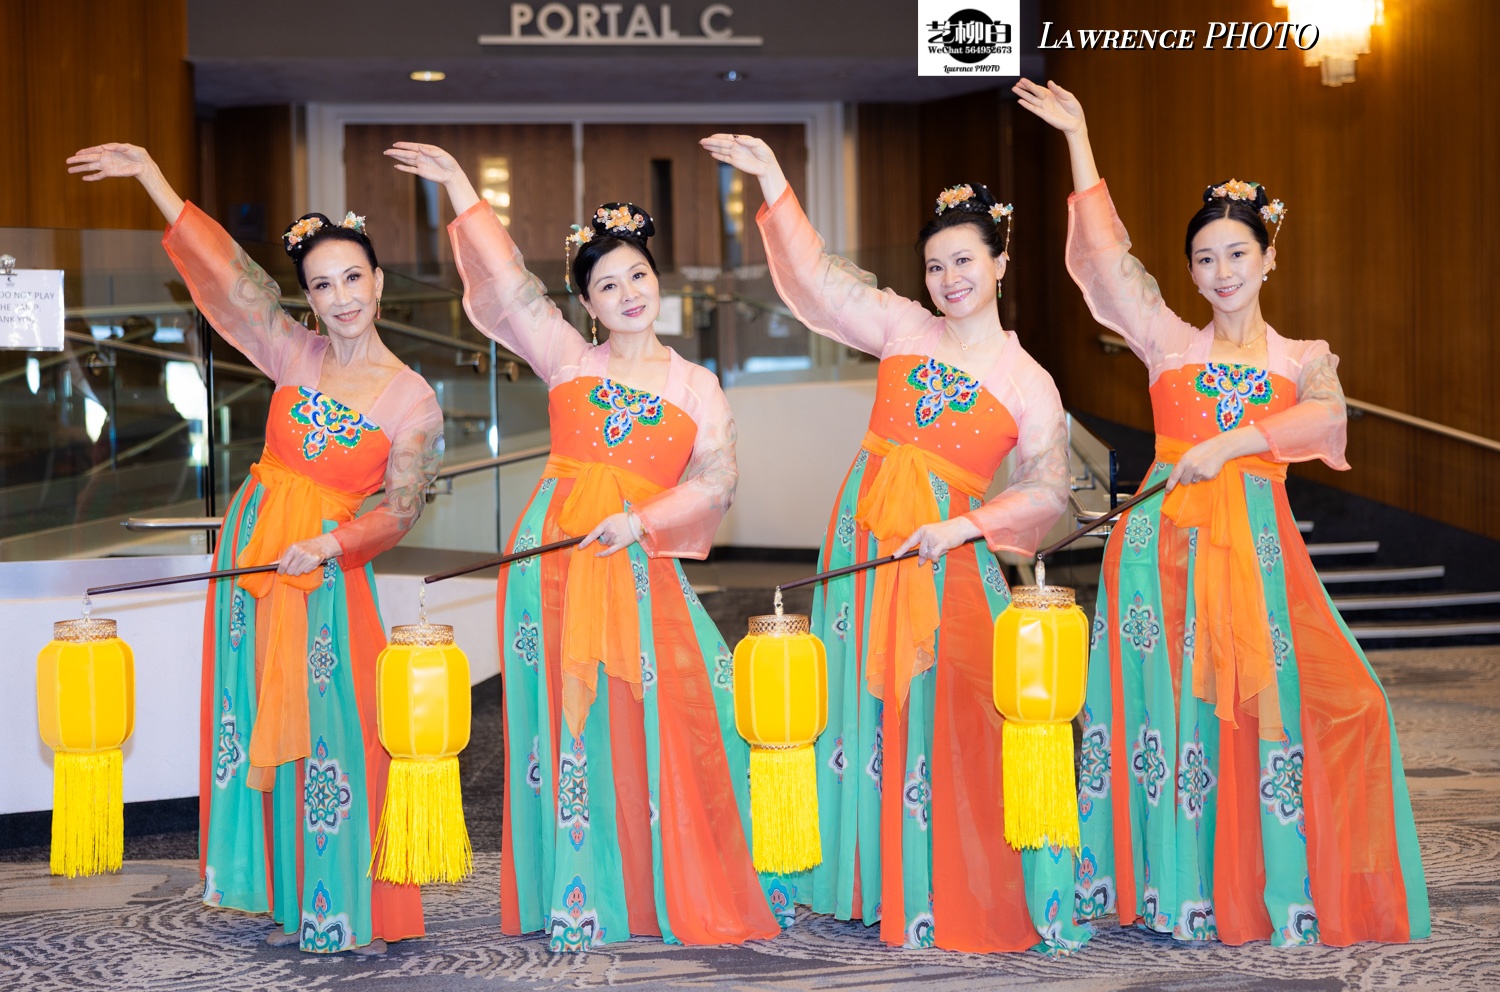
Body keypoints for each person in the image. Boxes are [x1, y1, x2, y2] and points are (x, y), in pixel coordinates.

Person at [1015, 79, 1430, 946]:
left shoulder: (1304, 356)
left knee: (1329, 703)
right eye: (1204, 259)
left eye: (1237, 253)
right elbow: (1104, 261)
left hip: (1256, 558)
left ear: (1270, 258)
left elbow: (1327, 419)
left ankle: (1256, 879)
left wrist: (1233, 442)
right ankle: (1168, 886)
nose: (1221, 272)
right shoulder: (1169, 342)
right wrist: (1080, 139)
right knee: (1162, 714)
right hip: (1156, 551)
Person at [384, 141, 780, 949]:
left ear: (658, 280)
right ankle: (575, 888)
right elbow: (506, 282)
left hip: (636, 562)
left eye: (638, 275)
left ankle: (645, 883)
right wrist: (460, 187)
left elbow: (719, 481)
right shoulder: (567, 358)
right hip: (552, 566)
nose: (628, 293)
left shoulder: (696, 385)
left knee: (661, 711)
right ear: (588, 304)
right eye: (607, 284)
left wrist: (641, 520)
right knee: (562, 726)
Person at [701, 133, 1088, 955]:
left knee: (951, 715)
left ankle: (941, 884)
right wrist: (773, 180)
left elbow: (1049, 489)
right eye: (936, 265)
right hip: (864, 546)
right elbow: (818, 278)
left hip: (949, 559)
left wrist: (963, 525)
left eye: (965, 261)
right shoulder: (903, 327)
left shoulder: (1030, 381)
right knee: (854, 705)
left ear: (1001, 263)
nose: (949, 279)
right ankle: (864, 881)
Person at [67, 143, 445, 955]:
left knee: (332, 727)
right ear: (308, 298)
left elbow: (402, 507)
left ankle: (342, 903)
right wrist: (152, 177)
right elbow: (226, 275)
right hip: (251, 563)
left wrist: (333, 542)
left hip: (325, 575)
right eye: (323, 284)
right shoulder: (292, 351)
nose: (342, 297)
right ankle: (279, 892)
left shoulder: (413, 397)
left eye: (353, 277)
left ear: (379, 282)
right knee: (251, 718)